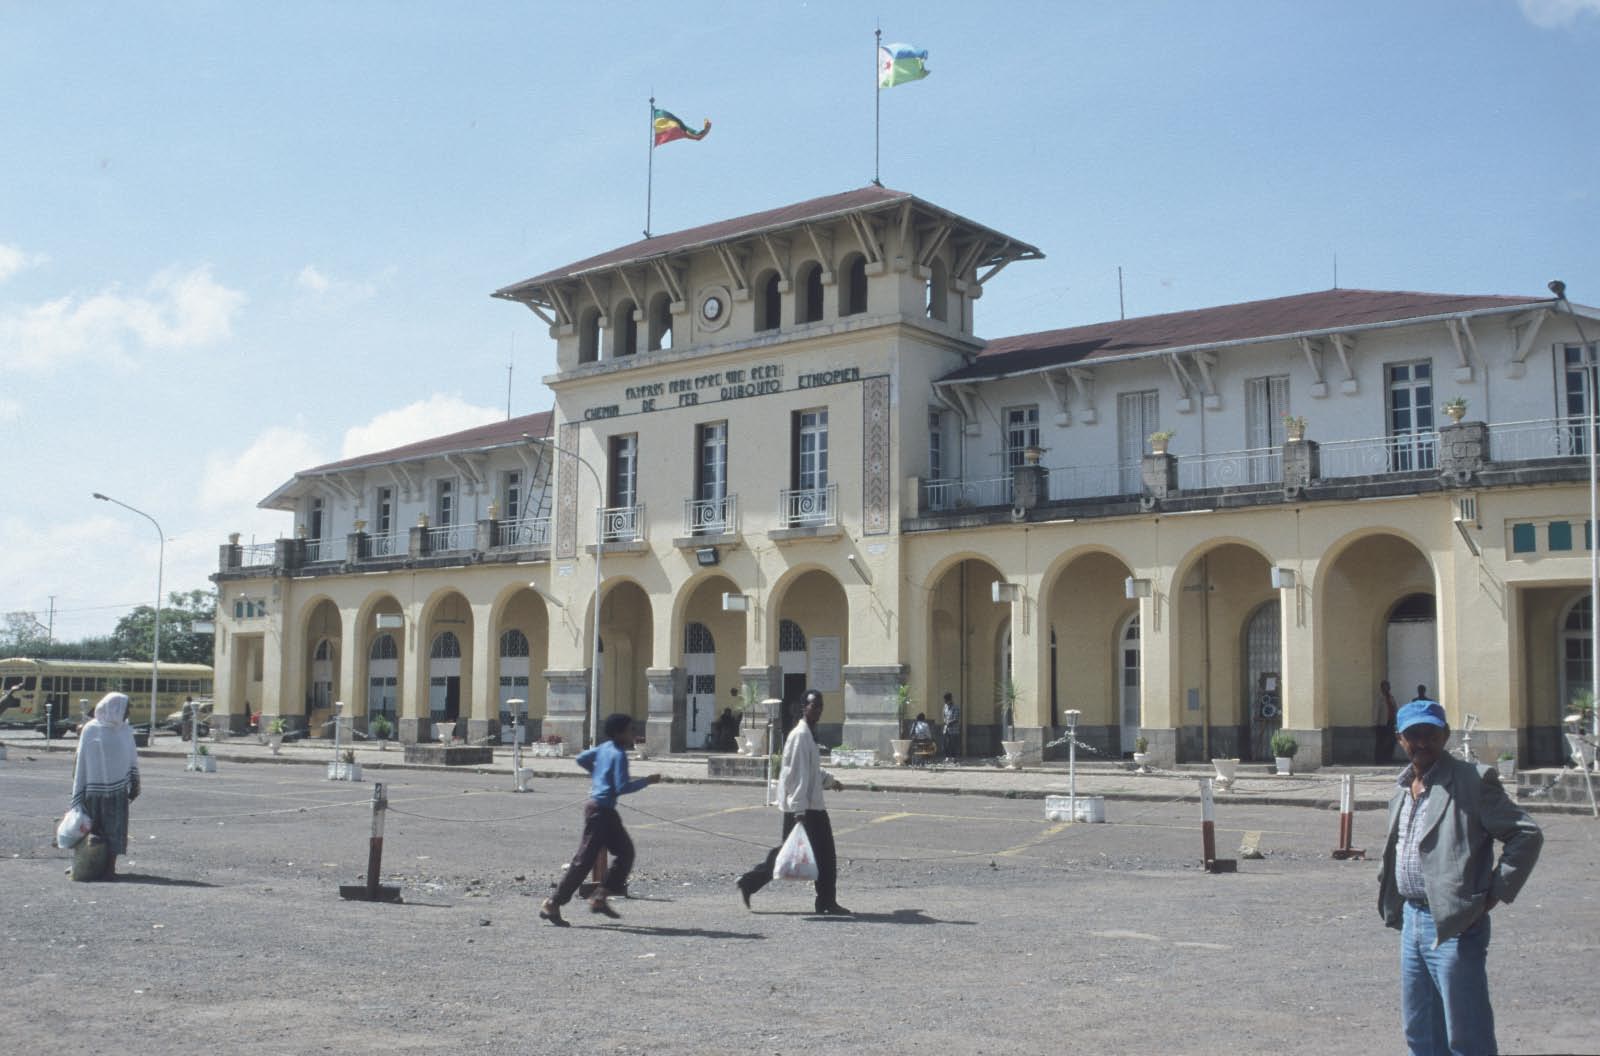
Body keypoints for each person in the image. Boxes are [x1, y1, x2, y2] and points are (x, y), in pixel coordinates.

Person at [1377, 698, 1543, 1056]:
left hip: (1455, 924)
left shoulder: (1472, 780)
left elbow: (1525, 834)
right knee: (1420, 1029)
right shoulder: (1402, 787)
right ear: (1400, 738)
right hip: (1412, 919)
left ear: (1446, 735)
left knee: (1467, 1034)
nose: (1422, 742)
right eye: (1413, 735)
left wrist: (1494, 892)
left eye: (1431, 734)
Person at [736, 688, 850, 915]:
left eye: (819, 706)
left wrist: (830, 781)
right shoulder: (800, 735)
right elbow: (796, 774)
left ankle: (826, 901)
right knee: (791, 854)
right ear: (803, 707)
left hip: (811, 805)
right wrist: (799, 810)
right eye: (812, 705)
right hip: (804, 808)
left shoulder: (808, 733)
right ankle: (750, 882)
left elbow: (811, 770)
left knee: (821, 854)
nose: (817, 710)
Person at [539, 713, 660, 926]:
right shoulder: (618, 755)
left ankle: (600, 896)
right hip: (600, 812)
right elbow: (622, 787)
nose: (633, 734)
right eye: (630, 730)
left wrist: (598, 776)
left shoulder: (604, 749)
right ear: (618, 733)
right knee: (584, 860)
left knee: (624, 852)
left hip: (602, 810)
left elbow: (581, 758)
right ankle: (554, 902)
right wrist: (647, 781)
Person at [69, 692, 141, 882]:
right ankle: (83, 864)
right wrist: (78, 784)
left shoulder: (125, 730)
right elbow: (81, 759)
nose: (128, 713)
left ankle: (110, 868)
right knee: (88, 829)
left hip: (118, 792)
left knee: (114, 831)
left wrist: (134, 783)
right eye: (126, 709)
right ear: (114, 708)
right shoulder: (91, 729)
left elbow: (132, 759)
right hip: (92, 790)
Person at [1374, 680, 1397, 765]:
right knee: (1380, 742)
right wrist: (1375, 723)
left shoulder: (1391, 697)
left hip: (1390, 722)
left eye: (1388, 686)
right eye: (1385, 686)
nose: (1387, 688)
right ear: (1382, 688)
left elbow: (1395, 708)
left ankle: (1388, 758)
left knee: (1391, 740)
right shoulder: (1379, 698)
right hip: (1382, 723)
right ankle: (1378, 760)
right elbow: (1376, 711)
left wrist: (1396, 720)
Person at [941, 692, 961, 761]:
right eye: (944, 700)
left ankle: (953, 758)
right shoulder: (945, 707)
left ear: (950, 700)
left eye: (946, 700)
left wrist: (949, 722)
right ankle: (947, 757)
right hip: (946, 729)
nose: (945, 702)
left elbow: (956, 719)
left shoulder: (956, 707)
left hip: (954, 729)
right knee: (945, 744)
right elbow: (944, 716)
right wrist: (945, 721)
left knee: (953, 744)